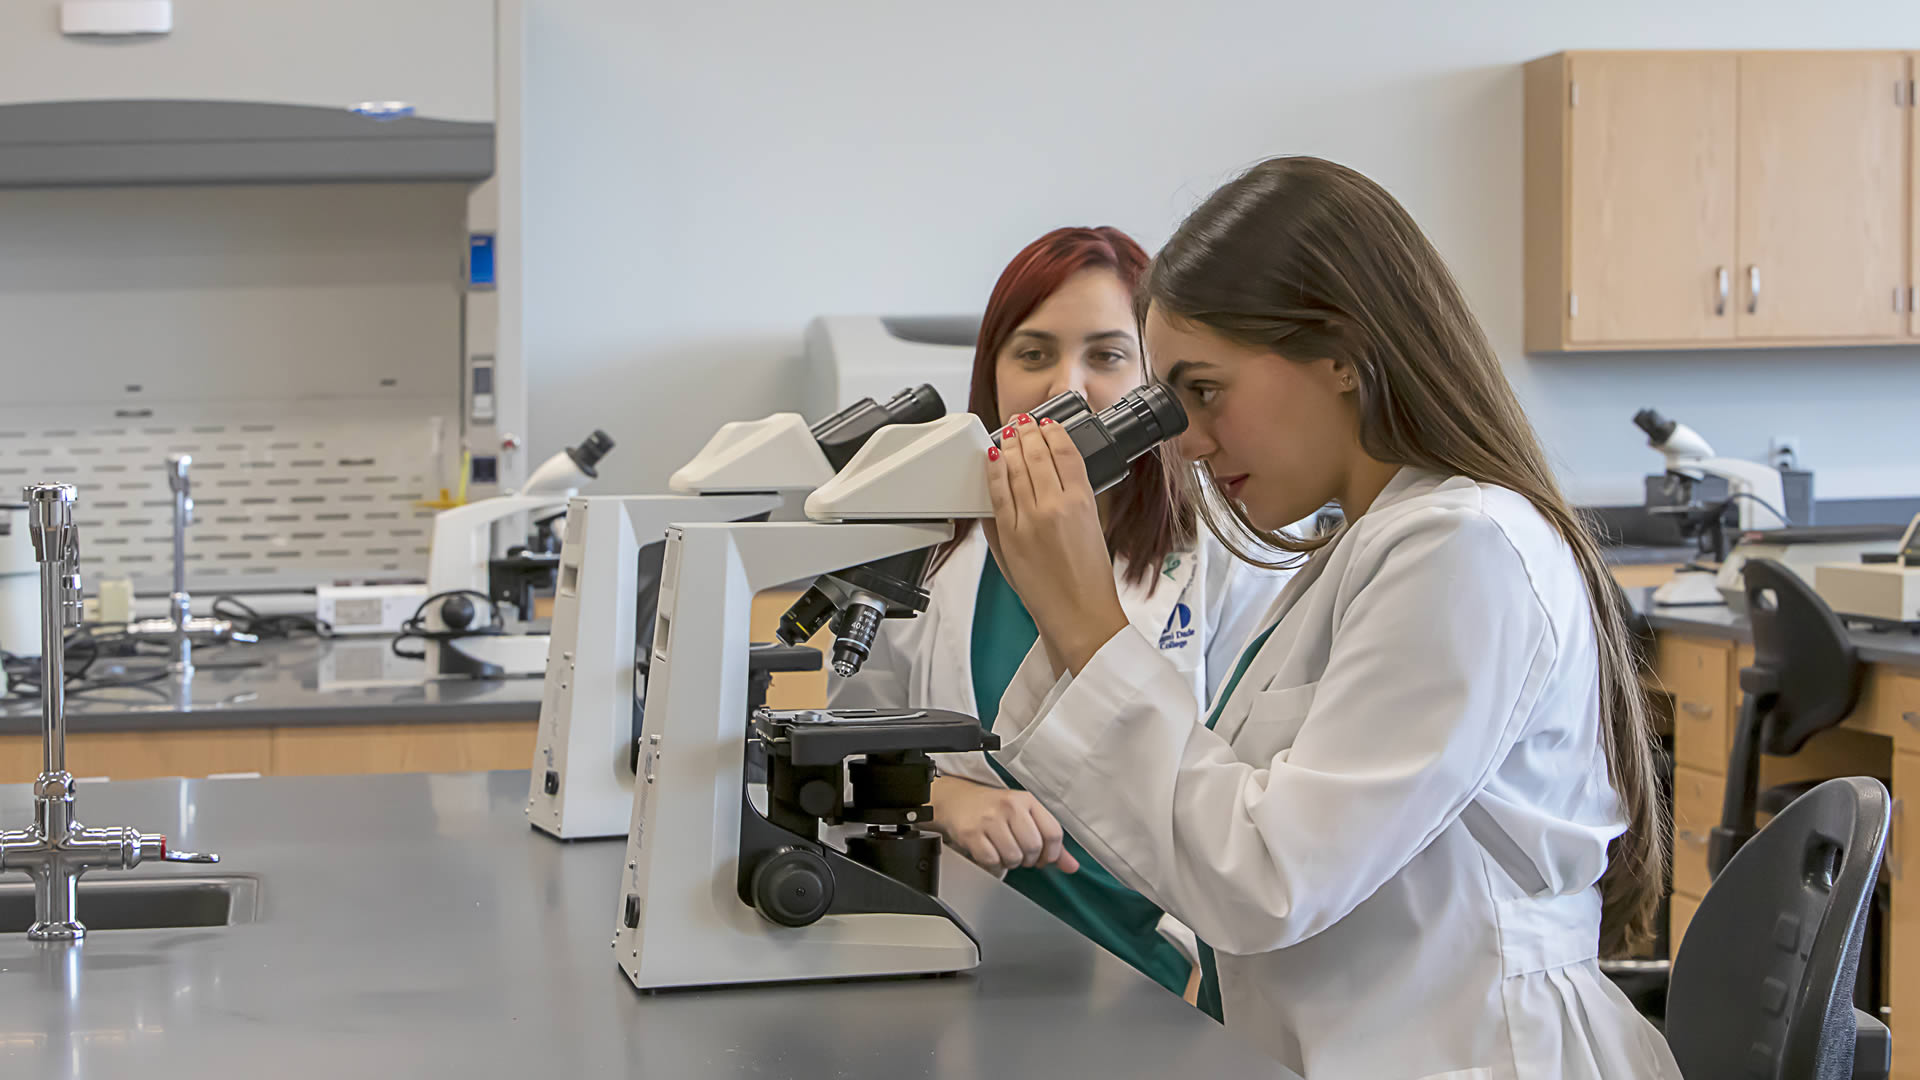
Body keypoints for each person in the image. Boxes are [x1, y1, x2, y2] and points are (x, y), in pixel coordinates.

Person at [983, 159, 1680, 1079]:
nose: (1186, 443)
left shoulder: (1465, 548)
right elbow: (1238, 840)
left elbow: (1269, 878)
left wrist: (1086, 621)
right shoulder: (1366, 547)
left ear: (1343, 354)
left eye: (1205, 390)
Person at [828, 226, 1293, 997]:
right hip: (969, 950)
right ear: (992, 376)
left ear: (1155, 383)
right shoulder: (931, 548)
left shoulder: (1227, 553)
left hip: (1175, 972)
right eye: (1033, 354)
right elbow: (840, 748)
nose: (1063, 388)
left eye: (1106, 356)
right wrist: (941, 796)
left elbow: (1269, 803)